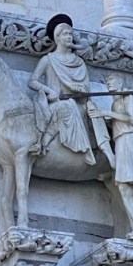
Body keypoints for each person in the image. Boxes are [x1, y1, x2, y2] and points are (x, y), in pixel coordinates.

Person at [91, 73, 133, 238]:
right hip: (120, 142)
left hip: (131, 141)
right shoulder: (115, 102)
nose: (109, 84)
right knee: (124, 189)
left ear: (120, 82)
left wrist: (105, 113)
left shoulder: (128, 96)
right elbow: (118, 123)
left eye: (112, 81)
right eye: (107, 81)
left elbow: (131, 119)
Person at [28, 14, 97, 165]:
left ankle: (88, 148)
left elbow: (86, 90)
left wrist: (80, 90)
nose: (69, 37)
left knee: (73, 106)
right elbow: (32, 81)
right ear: (57, 37)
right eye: (65, 34)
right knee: (66, 106)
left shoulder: (79, 62)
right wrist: (49, 91)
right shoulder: (48, 59)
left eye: (71, 34)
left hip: (77, 104)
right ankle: (43, 144)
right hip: (54, 103)